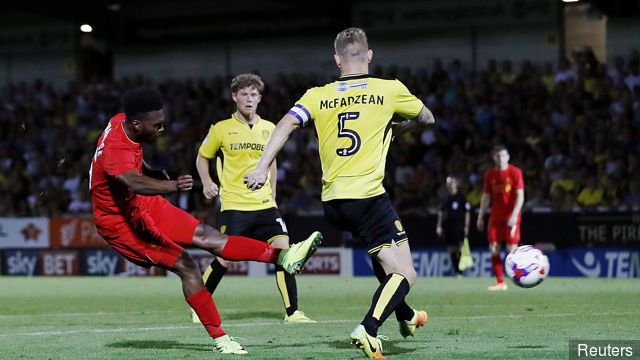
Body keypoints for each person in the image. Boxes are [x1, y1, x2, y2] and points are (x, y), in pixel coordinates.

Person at [89, 87, 321, 355]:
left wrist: (151, 171)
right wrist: (172, 185)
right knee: (186, 265)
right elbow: (132, 181)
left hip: (142, 204)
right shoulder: (115, 148)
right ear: (137, 124)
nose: (162, 129)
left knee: (209, 236)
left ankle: (282, 258)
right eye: (157, 125)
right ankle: (221, 339)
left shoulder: (122, 120)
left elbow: (130, 170)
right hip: (120, 222)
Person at [244, 27, 432, 359]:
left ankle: (405, 316)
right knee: (406, 273)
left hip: (334, 200)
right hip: (367, 197)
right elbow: (427, 118)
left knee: (391, 258)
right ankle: (369, 329)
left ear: (337, 59)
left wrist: (261, 167)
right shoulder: (389, 90)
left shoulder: (318, 94)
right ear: (369, 55)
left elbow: (285, 124)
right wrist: (404, 125)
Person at [195, 74, 315, 324]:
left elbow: (270, 163)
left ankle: (292, 312)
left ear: (260, 99)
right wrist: (207, 182)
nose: (249, 99)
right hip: (235, 206)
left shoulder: (270, 128)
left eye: (253, 95)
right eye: (244, 94)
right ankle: (199, 307)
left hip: (265, 206)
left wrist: (272, 193)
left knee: (285, 252)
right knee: (226, 258)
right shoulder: (220, 129)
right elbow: (202, 156)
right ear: (234, 97)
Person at [476, 145, 525, 291]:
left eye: (503, 155)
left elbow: (520, 195)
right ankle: (500, 282)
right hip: (495, 218)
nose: (500, 158)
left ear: (508, 157)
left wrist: (515, 215)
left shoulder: (515, 172)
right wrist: (480, 216)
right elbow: (486, 197)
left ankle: (520, 278)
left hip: (511, 217)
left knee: (512, 249)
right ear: (493, 158)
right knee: (493, 248)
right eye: (497, 156)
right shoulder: (489, 175)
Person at [436, 176, 471, 276]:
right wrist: (439, 226)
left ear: (456, 184)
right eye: (449, 183)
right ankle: (455, 270)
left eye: (452, 182)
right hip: (447, 226)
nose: (450, 185)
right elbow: (441, 212)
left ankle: (460, 271)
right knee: (451, 248)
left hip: (459, 226)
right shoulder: (444, 197)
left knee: (459, 247)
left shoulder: (461, 197)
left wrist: (466, 226)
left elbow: (467, 212)